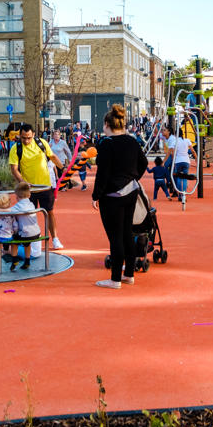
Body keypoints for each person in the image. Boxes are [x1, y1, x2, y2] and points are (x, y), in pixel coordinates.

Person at [92, 104, 148, 289]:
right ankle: (129, 273)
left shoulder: (106, 144)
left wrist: (96, 195)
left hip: (112, 195)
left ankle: (115, 279)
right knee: (126, 233)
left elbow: (103, 174)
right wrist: (132, 178)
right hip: (130, 192)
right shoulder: (132, 141)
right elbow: (143, 162)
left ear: (107, 123)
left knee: (115, 237)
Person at [9, 124, 65, 250]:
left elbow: (53, 157)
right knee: (27, 215)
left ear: (33, 135)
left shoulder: (42, 143)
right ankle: (30, 241)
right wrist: (23, 182)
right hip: (28, 190)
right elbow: (14, 169)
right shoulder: (16, 148)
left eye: (29, 137)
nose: (26, 141)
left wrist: (63, 168)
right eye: (23, 138)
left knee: (49, 212)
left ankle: (55, 238)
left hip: (45, 186)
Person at [170, 130, 193, 196]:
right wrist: (196, 157)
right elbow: (192, 150)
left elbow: (173, 154)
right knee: (185, 178)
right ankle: (184, 193)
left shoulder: (175, 141)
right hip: (186, 161)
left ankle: (180, 194)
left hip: (178, 161)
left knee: (179, 178)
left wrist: (173, 162)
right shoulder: (187, 140)